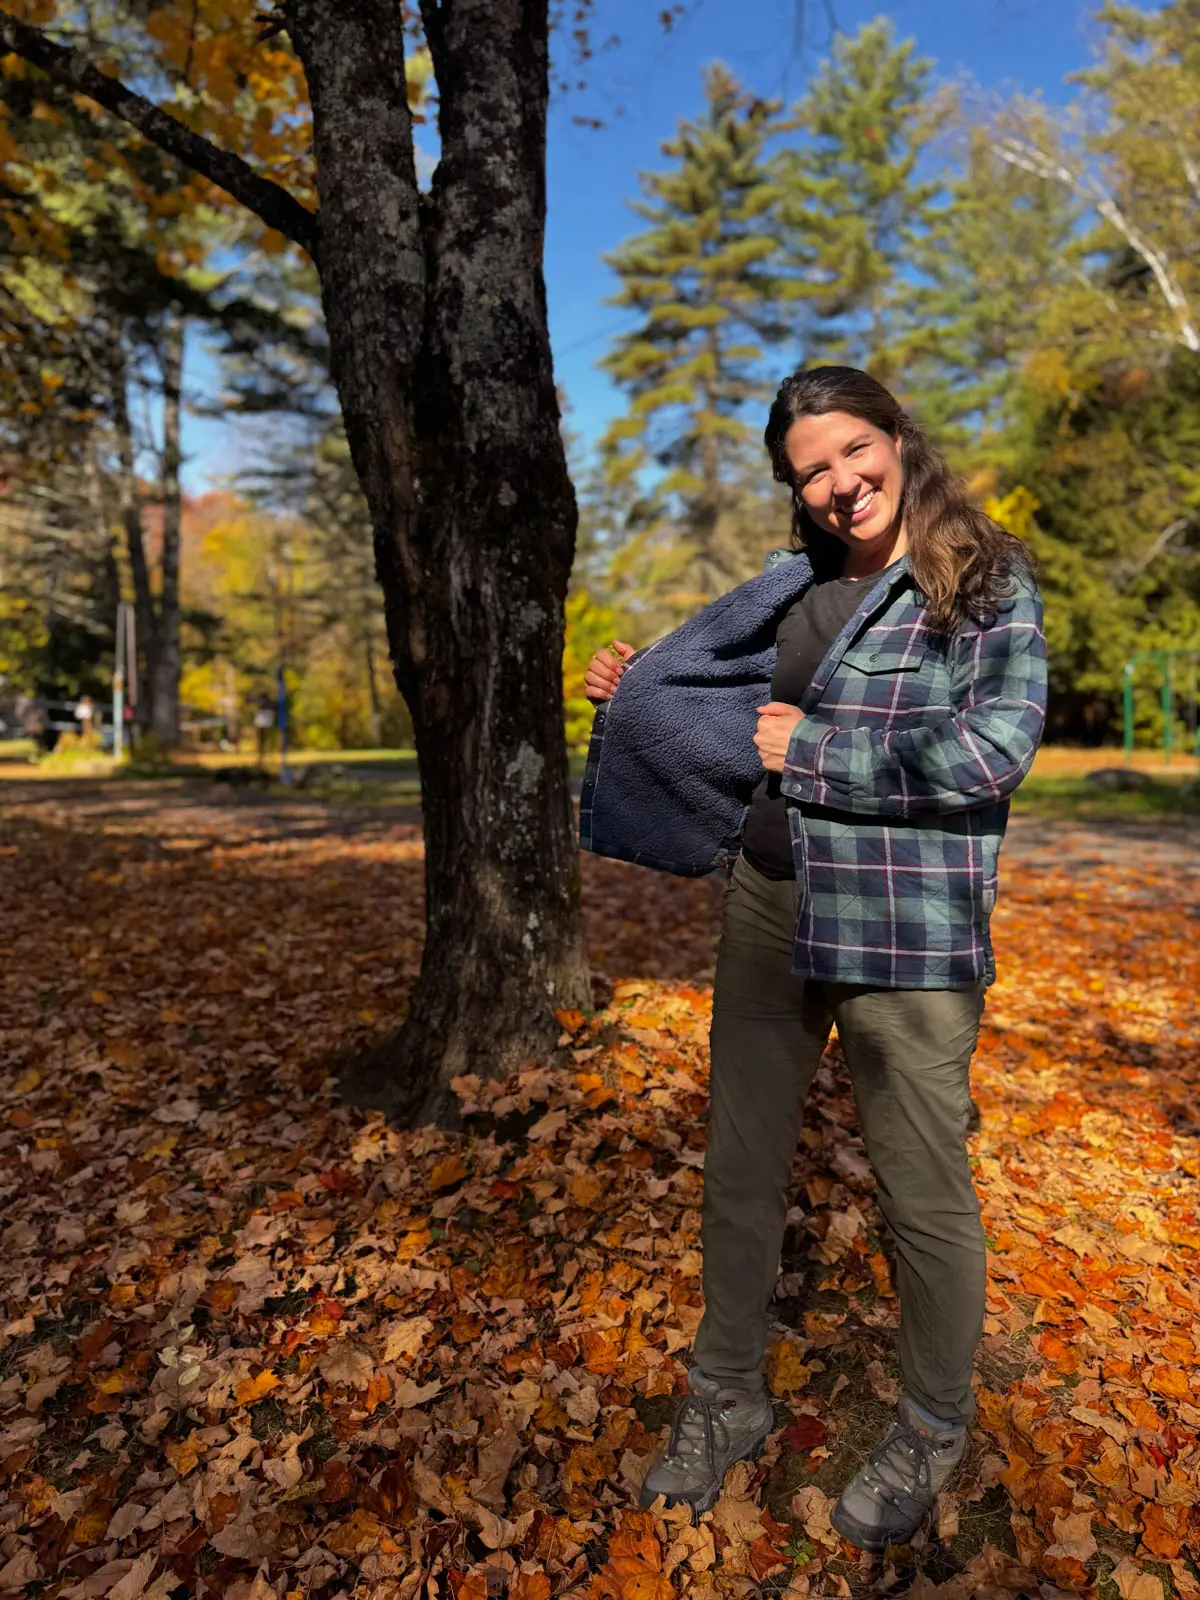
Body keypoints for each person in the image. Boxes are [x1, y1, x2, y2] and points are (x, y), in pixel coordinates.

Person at [580, 366, 1046, 1551]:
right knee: (740, 1166)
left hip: (906, 922)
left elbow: (996, 748)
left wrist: (825, 755)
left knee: (921, 1189)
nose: (840, 485)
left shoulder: (981, 576)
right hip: (769, 900)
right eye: (811, 472)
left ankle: (935, 1422)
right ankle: (724, 1395)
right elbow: (731, 713)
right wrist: (638, 692)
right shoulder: (793, 586)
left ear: (898, 435)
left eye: (853, 452)